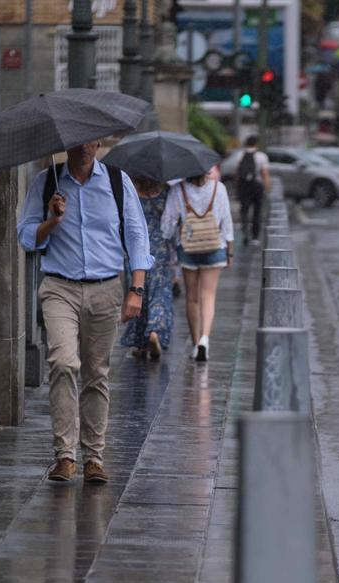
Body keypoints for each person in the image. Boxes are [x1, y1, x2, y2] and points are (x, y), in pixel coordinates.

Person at [17, 141, 152, 484]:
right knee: (62, 363)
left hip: (106, 288)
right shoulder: (47, 182)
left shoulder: (118, 182)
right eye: (78, 141)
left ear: (99, 143)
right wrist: (51, 220)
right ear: (67, 145)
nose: (86, 147)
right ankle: (64, 455)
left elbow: (137, 235)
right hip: (59, 287)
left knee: (96, 373)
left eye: (92, 140)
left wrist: (136, 289)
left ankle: (93, 457)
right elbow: (26, 239)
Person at [161, 168, 235, 361]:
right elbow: (227, 221)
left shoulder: (178, 190)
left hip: (188, 248)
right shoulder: (219, 189)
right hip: (214, 246)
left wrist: (168, 240)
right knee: (209, 296)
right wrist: (230, 250)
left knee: (192, 298)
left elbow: (168, 223)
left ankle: (195, 344)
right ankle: (205, 339)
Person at [120, 177, 176, 360]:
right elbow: (173, 221)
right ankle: (155, 332)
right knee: (160, 294)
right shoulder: (167, 193)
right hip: (161, 250)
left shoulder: (132, 193)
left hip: (136, 252)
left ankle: (141, 342)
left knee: (138, 292)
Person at [236, 136, 270, 243]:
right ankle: (255, 237)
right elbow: (264, 173)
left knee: (244, 210)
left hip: (244, 186)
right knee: (257, 211)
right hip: (257, 186)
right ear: (256, 144)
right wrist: (267, 187)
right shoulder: (261, 156)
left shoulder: (240, 155)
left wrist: (237, 187)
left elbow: (237, 173)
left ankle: (245, 233)